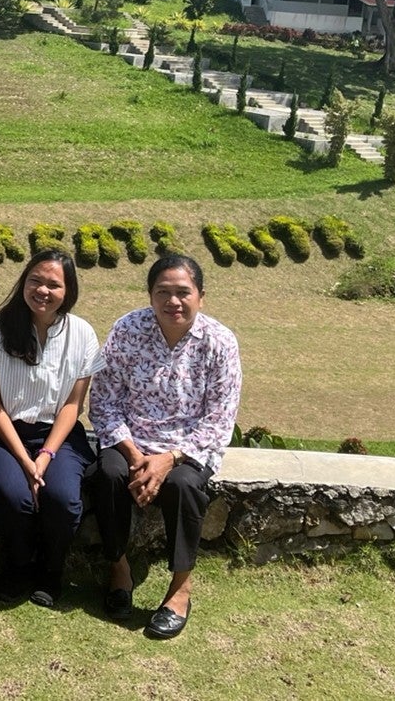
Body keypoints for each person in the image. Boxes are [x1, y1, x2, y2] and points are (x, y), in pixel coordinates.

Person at [90, 253, 242, 640]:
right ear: (150, 296)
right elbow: (104, 399)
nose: (173, 301)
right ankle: (119, 568)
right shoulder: (128, 330)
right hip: (131, 441)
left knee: (183, 486)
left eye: (182, 292)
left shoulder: (220, 342)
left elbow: (219, 419)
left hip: (188, 448)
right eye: (163, 292)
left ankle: (180, 588)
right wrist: (135, 455)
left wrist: (169, 459)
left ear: (201, 297)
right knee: (107, 474)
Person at [0, 248, 100, 608]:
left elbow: (73, 405)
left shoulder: (82, 334)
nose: (42, 290)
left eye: (53, 284)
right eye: (35, 281)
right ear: (23, 282)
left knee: (62, 498)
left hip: (56, 434)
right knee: (15, 495)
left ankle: (51, 570)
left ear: (68, 291)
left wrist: (44, 456)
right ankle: (18, 565)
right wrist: (25, 460)